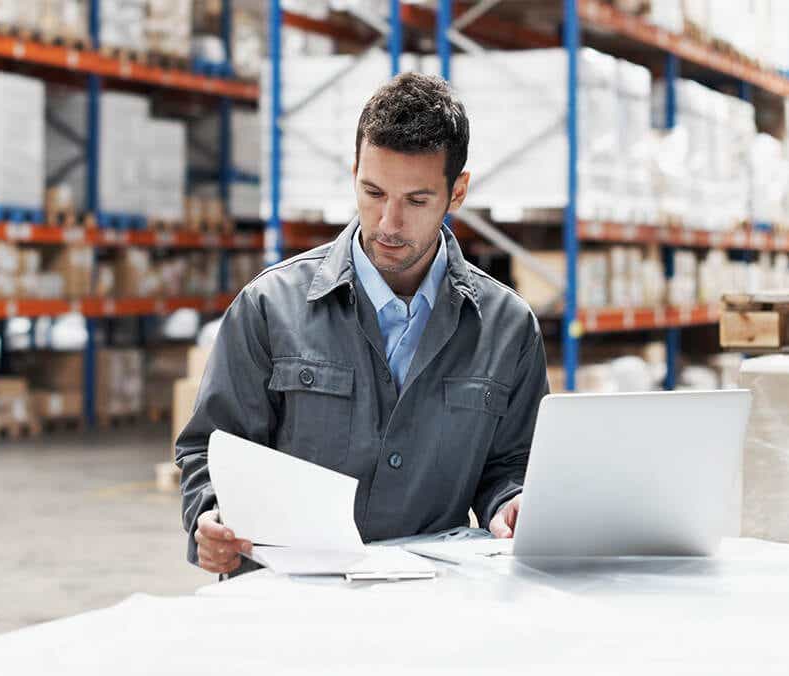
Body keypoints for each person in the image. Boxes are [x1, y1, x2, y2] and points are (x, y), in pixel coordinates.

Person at [176, 72, 549, 576]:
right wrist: (209, 516)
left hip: (434, 602)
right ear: (354, 171)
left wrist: (512, 506)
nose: (389, 223)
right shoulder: (269, 307)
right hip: (285, 603)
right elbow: (211, 447)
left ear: (457, 192)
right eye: (373, 192)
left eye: (416, 201)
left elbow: (510, 468)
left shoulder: (508, 329)